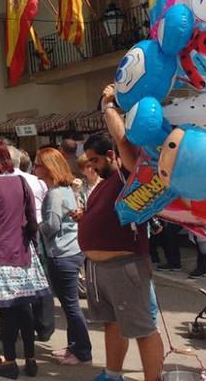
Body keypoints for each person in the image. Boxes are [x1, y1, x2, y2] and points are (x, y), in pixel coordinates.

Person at [80, 85, 163, 381]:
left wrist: (108, 106)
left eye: (94, 159)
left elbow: (123, 138)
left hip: (123, 266)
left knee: (142, 328)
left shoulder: (128, 172)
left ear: (111, 155)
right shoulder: (104, 182)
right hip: (100, 268)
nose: (89, 165)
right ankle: (113, 375)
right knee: (112, 324)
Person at [0, 141, 49, 379]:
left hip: (0, 254)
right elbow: (32, 220)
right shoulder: (21, 181)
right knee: (24, 307)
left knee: (7, 312)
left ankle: (10, 362)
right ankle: (30, 359)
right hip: (22, 252)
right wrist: (30, 244)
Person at [33, 147, 93, 367]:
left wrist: (37, 226)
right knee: (70, 305)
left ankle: (83, 351)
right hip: (71, 251)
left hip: (62, 254)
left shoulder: (54, 194)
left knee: (71, 306)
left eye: (38, 164)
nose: (35, 168)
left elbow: (51, 226)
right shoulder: (64, 189)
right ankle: (74, 346)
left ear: (49, 168)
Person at [8, 144, 53, 342]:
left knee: (17, 283)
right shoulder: (37, 181)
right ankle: (44, 326)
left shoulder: (1, 182)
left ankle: (14, 326)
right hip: (38, 232)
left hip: (16, 235)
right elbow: (44, 205)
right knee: (41, 280)